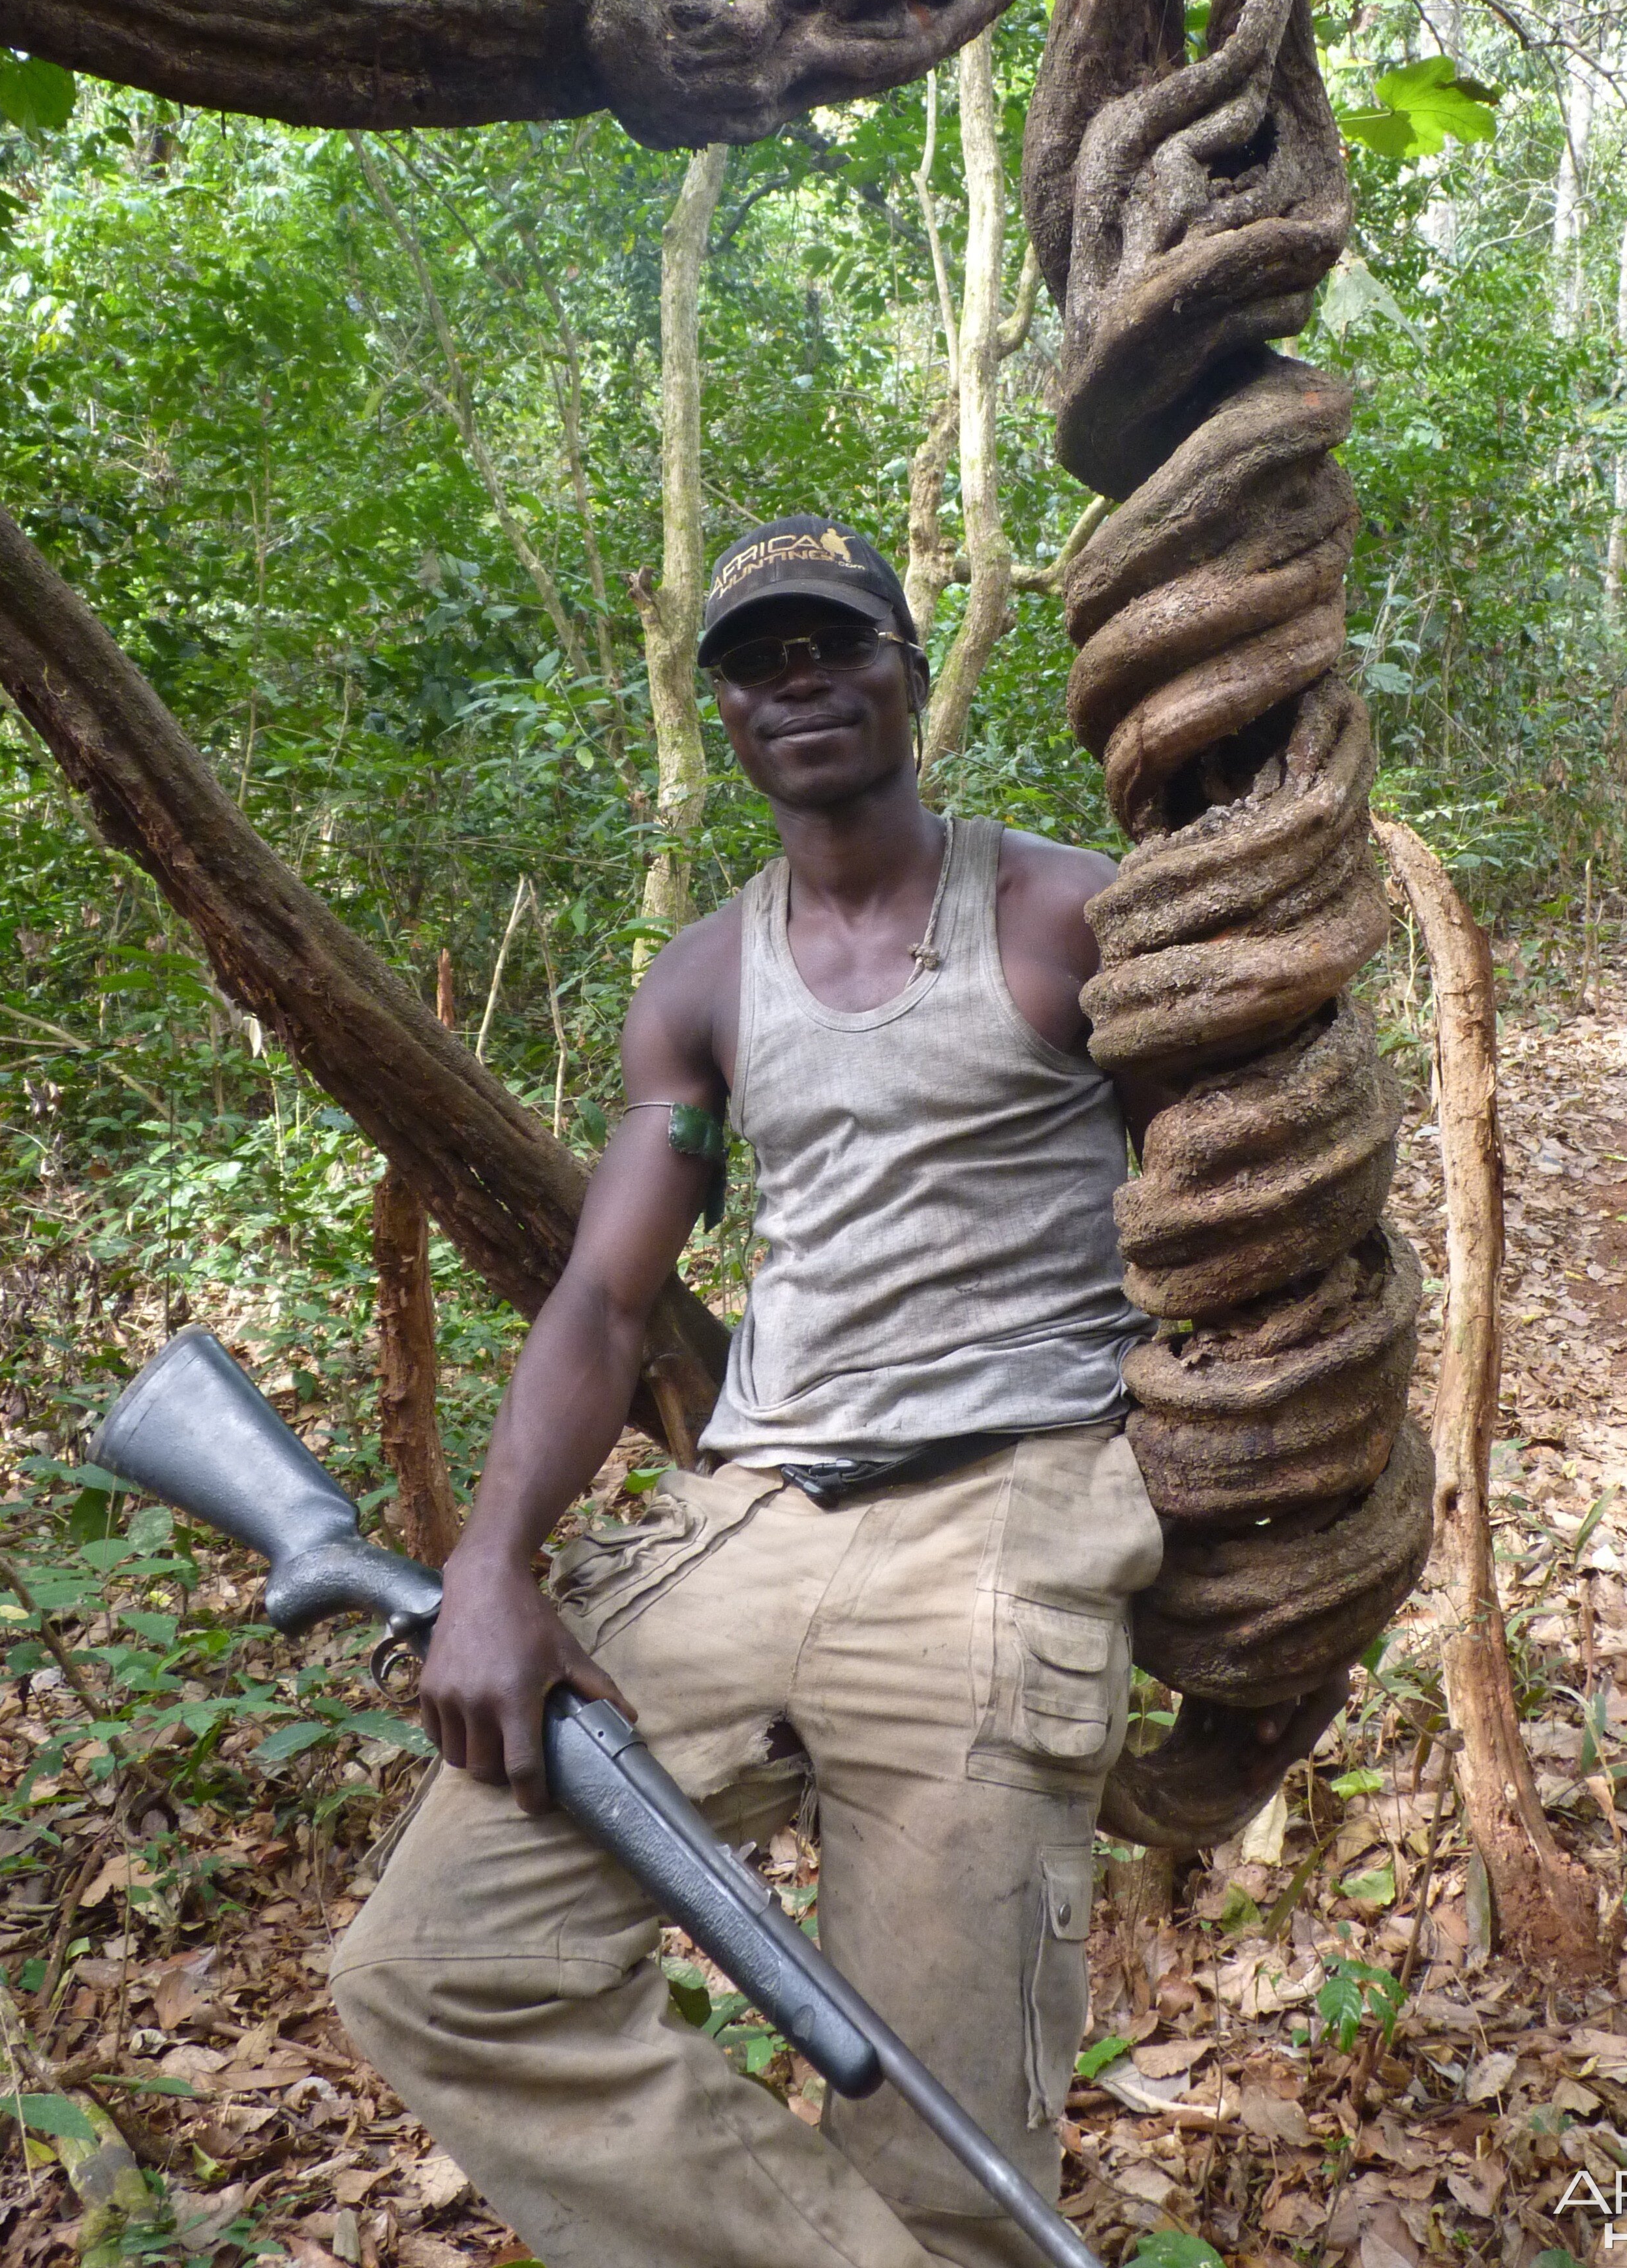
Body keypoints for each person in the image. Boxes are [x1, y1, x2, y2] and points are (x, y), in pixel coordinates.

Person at [332, 519, 1173, 2268]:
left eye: (833, 645)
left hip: (1003, 1521)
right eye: (756, 660)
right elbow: (608, 1296)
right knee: (436, 1969)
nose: (797, 685)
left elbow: (1247, 1216)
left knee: (956, 2164)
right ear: (718, 706)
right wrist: (491, 1565)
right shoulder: (707, 983)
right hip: (752, 1519)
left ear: (906, 669)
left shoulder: (1065, 921)